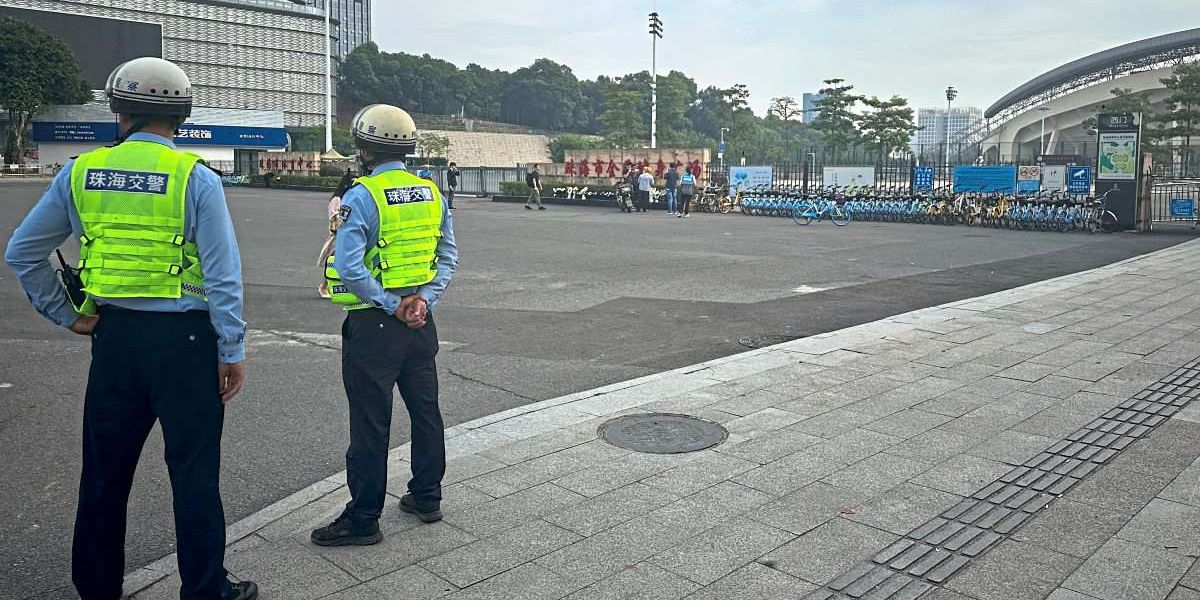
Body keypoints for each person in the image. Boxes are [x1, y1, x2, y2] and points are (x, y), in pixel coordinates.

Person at [4, 57, 256, 600]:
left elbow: (22, 252)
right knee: (193, 473)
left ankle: (97, 588)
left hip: (114, 340)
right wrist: (231, 349)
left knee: (104, 474)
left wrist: (69, 314)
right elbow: (222, 275)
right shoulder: (197, 179)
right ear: (181, 116)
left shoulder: (81, 171)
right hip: (187, 345)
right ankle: (206, 589)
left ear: (119, 110)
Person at [311, 104, 459, 547]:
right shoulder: (432, 194)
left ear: (364, 149)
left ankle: (363, 517)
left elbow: (349, 267)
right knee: (426, 412)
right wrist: (422, 301)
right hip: (421, 323)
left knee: (371, 422)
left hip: (374, 325)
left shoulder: (363, 195)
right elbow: (447, 257)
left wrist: (392, 304)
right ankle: (427, 495)